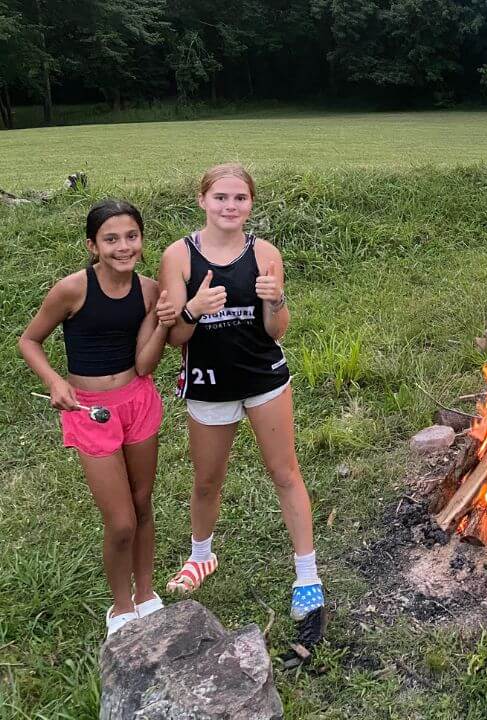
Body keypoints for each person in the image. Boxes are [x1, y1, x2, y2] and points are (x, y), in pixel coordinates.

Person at [159, 163, 324, 630]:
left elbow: (276, 330)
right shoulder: (180, 256)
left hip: (263, 376)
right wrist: (193, 308)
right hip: (209, 381)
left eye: (239, 198)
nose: (230, 206)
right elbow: (174, 337)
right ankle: (201, 556)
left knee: (285, 472)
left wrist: (276, 301)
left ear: (250, 204)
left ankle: (307, 576)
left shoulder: (265, 251)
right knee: (207, 480)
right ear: (202, 200)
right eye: (220, 198)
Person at [19, 200, 174, 638]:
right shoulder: (73, 289)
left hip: (138, 402)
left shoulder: (148, 291)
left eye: (131, 237)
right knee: (120, 519)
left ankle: (145, 594)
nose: (122, 246)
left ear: (141, 242)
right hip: (91, 410)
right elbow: (29, 340)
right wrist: (54, 381)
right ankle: (121, 606)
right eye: (110, 239)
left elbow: (146, 365)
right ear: (92, 245)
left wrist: (163, 324)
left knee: (143, 504)